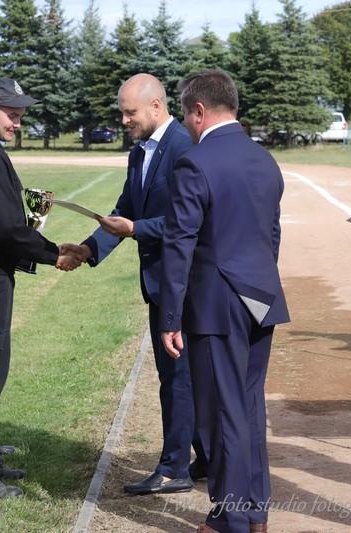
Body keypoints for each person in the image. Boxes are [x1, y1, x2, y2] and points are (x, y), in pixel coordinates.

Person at [158, 70, 290, 533]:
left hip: (217, 304)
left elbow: (180, 242)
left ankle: (229, 519)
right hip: (261, 296)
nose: (186, 124)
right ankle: (253, 513)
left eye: (186, 115)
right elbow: (271, 235)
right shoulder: (264, 159)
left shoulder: (195, 162)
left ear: (199, 110)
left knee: (221, 412)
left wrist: (170, 316)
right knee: (249, 406)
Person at [60, 73, 202, 496]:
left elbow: (187, 221)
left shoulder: (184, 147)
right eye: (122, 112)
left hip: (183, 283)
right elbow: (125, 208)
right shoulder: (140, 151)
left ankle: (174, 468)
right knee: (180, 376)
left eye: (129, 112)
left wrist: (137, 228)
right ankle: (207, 457)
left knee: (178, 378)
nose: (123, 120)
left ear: (156, 106)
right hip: (160, 283)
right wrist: (89, 249)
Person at [0, 76, 70, 498]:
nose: (18, 123)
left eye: (22, 115)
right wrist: (52, 253)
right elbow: (5, 229)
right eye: (12, 114)